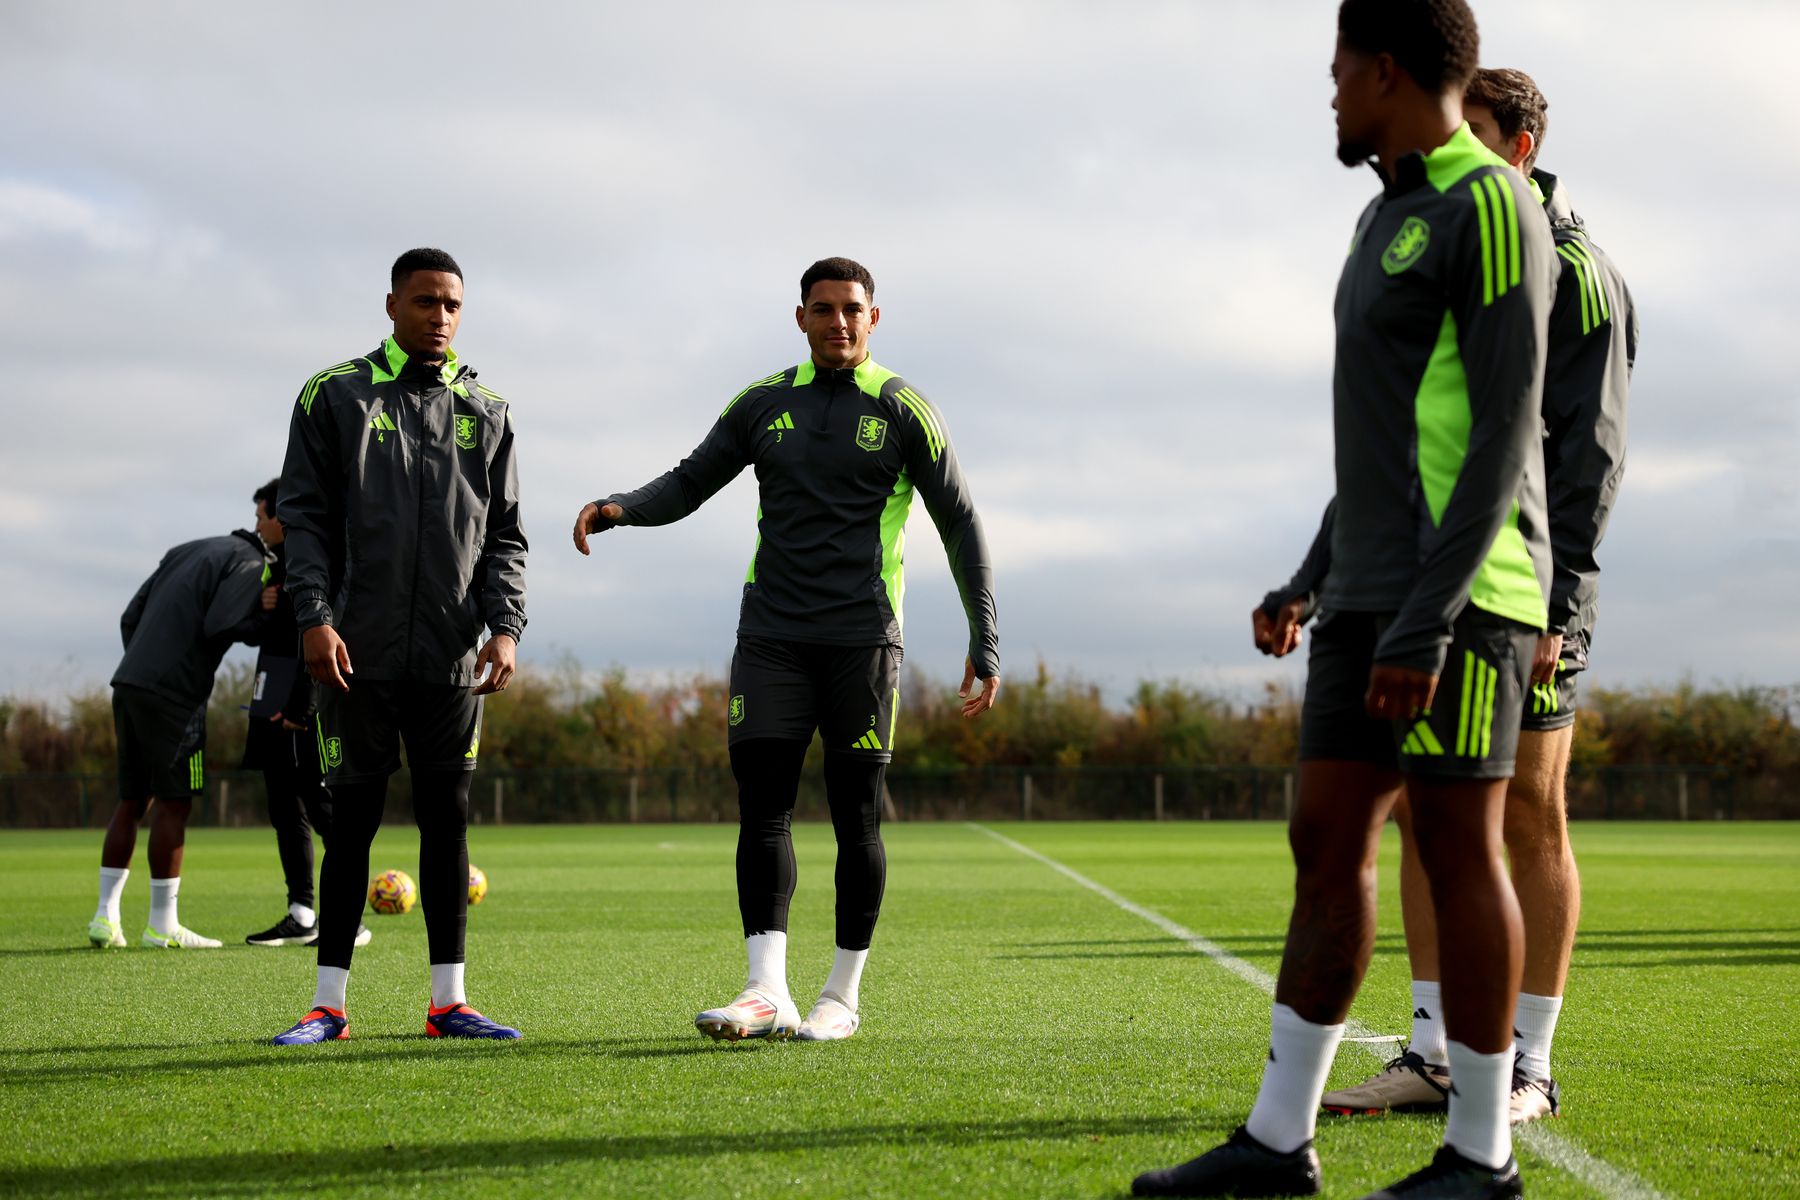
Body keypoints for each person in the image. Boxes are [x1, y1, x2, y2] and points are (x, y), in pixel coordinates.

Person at [1133, 2, 1555, 1197]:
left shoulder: (1492, 204)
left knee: (1461, 848)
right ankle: (1280, 1141)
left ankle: (1482, 1155)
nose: (1327, 96)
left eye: (1336, 75)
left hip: (1464, 601)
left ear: (1383, 71)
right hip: (1367, 592)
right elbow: (1387, 440)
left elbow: (1501, 432)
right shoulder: (1383, 217)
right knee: (1324, 839)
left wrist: (1429, 615)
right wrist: (1309, 580)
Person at [1257, 68, 1635, 1127]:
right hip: (1409, 573)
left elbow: (1586, 458)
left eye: (1468, 133)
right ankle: (1432, 1050)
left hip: (1522, 584)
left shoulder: (1575, 271)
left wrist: (1559, 611)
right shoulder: (1420, 230)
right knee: (1426, 818)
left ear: (1515, 148)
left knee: (1525, 814)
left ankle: (1530, 1067)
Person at [572, 256, 1000, 1044]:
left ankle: (841, 996)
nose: (838, 321)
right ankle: (766, 990)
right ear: (799, 317)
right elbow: (692, 479)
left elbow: (961, 521)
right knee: (761, 809)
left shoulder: (905, 408)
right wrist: (620, 507)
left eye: (852, 309)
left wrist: (986, 636)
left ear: (875, 318)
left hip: (864, 643)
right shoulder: (764, 403)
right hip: (770, 636)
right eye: (823, 309)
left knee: (855, 820)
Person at [270, 247, 527, 1045]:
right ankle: (328, 1006)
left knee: (448, 821)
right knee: (352, 822)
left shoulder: (487, 409)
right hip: (356, 652)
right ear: (391, 305)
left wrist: (507, 628)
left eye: (451, 304)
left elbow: (506, 536)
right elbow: (304, 518)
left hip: (452, 658)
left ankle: (448, 1003)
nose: (439, 316)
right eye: (424, 302)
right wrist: (314, 616)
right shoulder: (335, 394)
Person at [89, 509, 276, 949]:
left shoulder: (187, 550)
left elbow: (129, 617)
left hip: (129, 682)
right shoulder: (254, 564)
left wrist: (147, 666)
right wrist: (263, 615)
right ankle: (163, 925)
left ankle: (104, 918)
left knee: (132, 799)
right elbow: (223, 624)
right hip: (175, 696)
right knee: (175, 804)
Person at [240, 478, 371, 951]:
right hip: (268, 698)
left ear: (281, 517)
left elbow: (321, 634)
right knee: (284, 809)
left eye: (261, 516)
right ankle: (302, 914)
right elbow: (263, 635)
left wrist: (303, 704)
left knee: (322, 808)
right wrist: (262, 605)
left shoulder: (313, 561)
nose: (257, 524)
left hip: (298, 704)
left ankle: (347, 918)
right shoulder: (272, 570)